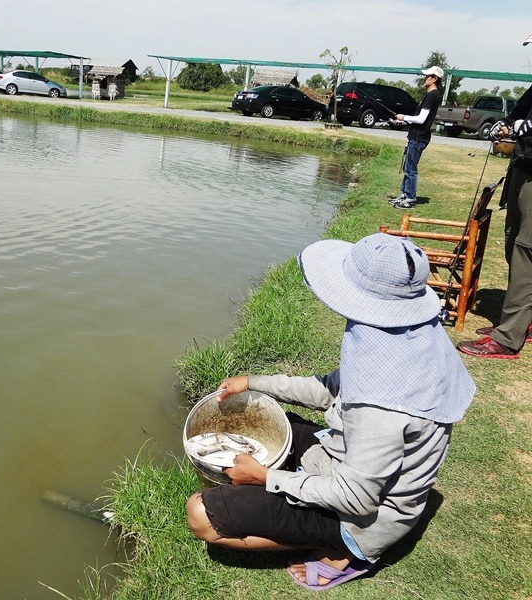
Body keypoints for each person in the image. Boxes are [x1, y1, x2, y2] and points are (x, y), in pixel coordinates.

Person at [186, 233, 475, 591]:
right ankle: (295, 501)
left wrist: (266, 478)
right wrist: (254, 382)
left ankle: (340, 548)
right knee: (265, 423)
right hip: (348, 459)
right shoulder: (407, 332)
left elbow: (356, 497)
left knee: (201, 514)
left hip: (361, 517)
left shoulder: (383, 404)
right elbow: (330, 388)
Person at [457, 34, 532, 359]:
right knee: (513, 242)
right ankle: (521, 323)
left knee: (527, 253)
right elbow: (518, 113)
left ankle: (507, 338)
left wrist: (522, 128)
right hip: (522, 167)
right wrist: (505, 124)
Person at [390, 66, 444, 209]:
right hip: (415, 135)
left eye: (427, 76)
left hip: (419, 137)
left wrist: (404, 116)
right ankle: (404, 195)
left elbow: (421, 119)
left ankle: (410, 199)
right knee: (407, 167)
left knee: (411, 169)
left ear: (434, 79)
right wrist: (402, 121)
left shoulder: (432, 96)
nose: (423, 78)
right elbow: (420, 119)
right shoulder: (430, 95)